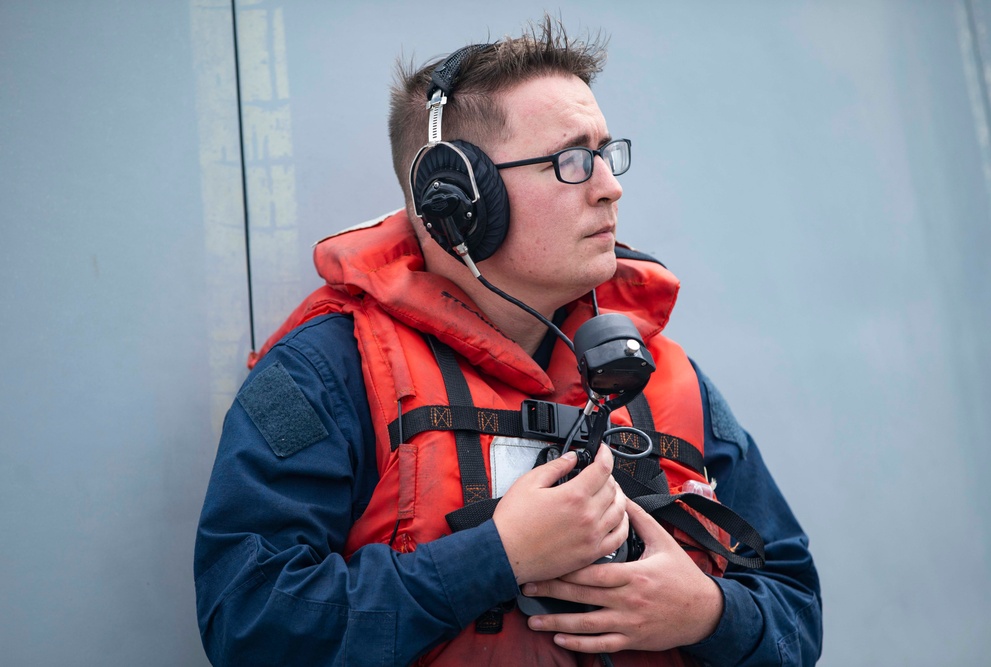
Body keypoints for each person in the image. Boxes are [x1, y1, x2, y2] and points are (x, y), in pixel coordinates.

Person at [195, 16, 821, 666]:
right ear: (460, 199)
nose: (611, 185)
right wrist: (498, 556)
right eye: (573, 161)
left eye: (608, 153)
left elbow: (796, 613)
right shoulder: (325, 372)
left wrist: (708, 614)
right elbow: (249, 626)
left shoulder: (664, 373)